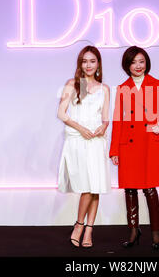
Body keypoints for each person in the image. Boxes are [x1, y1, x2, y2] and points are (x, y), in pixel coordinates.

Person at [109, 46, 159, 250]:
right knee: (130, 188)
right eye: (133, 62)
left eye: (141, 61)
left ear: (146, 62)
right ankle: (134, 231)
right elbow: (118, 121)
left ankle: (156, 232)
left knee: (150, 188)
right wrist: (114, 150)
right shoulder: (123, 88)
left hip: (149, 143)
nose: (138, 66)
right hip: (128, 144)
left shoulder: (156, 85)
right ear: (127, 65)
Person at [57, 45, 111, 248]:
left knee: (94, 187)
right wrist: (81, 128)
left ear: (98, 64)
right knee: (87, 187)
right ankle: (80, 225)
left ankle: (87, 230)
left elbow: (106, 118)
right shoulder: (72, 84)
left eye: (92, 61)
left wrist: (102, 128)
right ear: (80, 64)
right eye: (84, 61)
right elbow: (62, 114)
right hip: (78, 140)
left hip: (96, 141)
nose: (88, 65)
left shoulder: (104, 89)